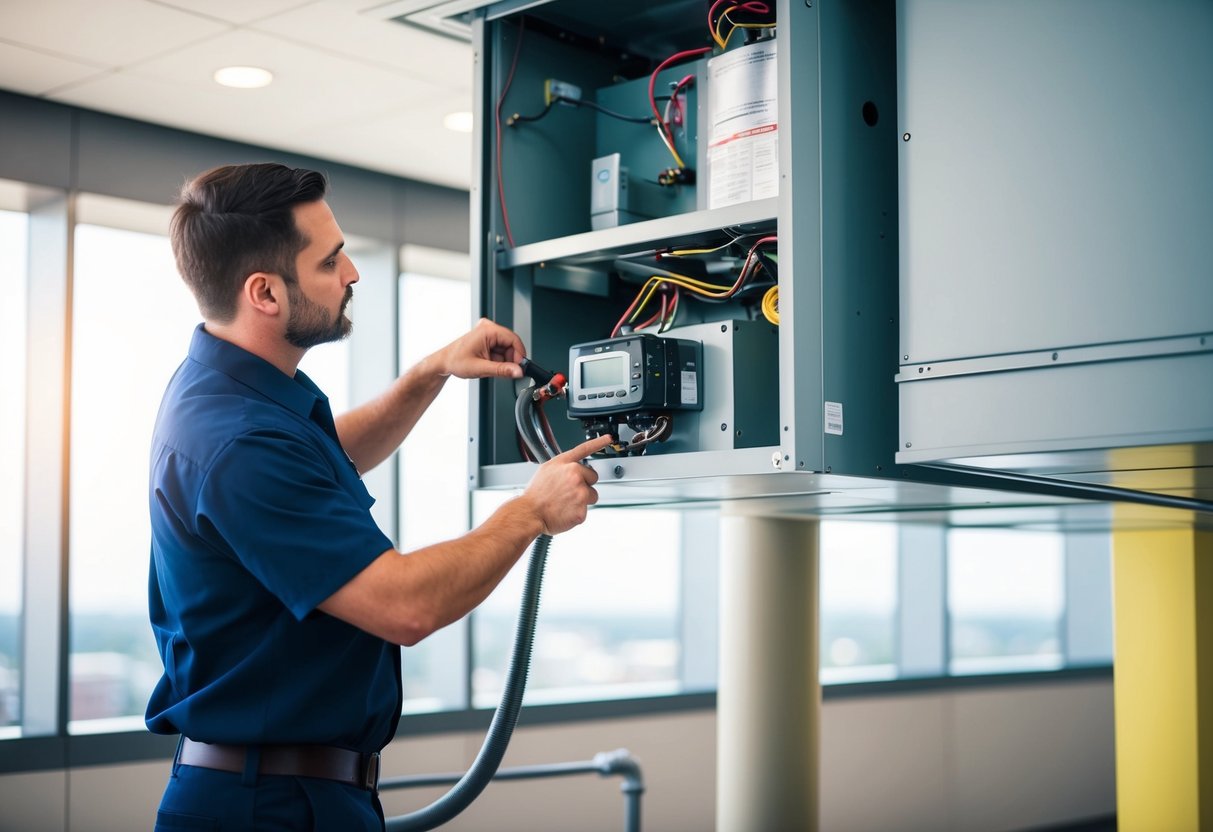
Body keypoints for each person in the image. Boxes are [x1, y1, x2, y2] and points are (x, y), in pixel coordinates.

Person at [145, 162, 610, 831]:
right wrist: (530, 512)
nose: (352, 274)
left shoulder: (229, 394)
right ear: (265, 293)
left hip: (292, 793)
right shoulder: (238, 439)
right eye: (330, 261)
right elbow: (405, 606)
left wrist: (430, 372)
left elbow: (324, 459)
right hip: (266, 807)